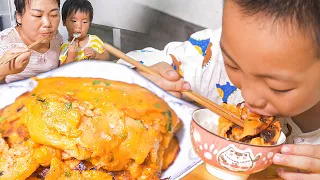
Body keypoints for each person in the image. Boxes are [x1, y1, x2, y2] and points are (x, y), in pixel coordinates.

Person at [117, 0, 320, 179]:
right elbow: (124, 67)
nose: (249, 96)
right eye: (232, 66)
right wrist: (139, 79)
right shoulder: (214, 55)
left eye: (278, 88)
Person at [0, 0, 63, 83]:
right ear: (19, 16)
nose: (47, 24)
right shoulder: (3, 41)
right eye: (38, 15)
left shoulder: (56, 37)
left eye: (54, 15)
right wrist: (3, 71)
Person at [59, 0, 110, 65]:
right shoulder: (64, 47)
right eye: (74, 21)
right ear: (64, 22)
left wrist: (96, 55)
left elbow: (107, 57)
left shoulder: (95, 40)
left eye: (84, 22)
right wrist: (70, 57)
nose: (79, 26)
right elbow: (60, 71)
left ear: (90, 24)